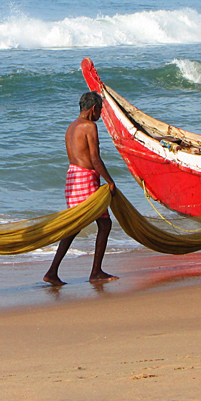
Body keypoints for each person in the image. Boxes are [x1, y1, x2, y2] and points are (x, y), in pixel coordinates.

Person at [44, 92, 118, 285]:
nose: (100, 115)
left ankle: (52, 271)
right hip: (85, 178)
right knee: (105, 223)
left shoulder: (70, 128)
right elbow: (94, 159)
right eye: (100, 110)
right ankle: (96, 272)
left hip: (72, 179)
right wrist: (110, 182)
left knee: (74, 226)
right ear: (94, 108)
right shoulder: (89, 126)